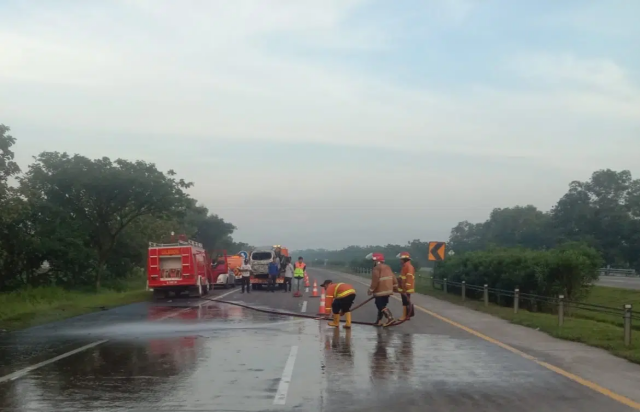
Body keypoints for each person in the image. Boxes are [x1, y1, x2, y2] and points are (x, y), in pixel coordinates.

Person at [366, 252, 397, 326]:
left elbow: (375, 280)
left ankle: (390, 318)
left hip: (380, 290)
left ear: (376, 261)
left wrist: (371, 290)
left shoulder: (376, 268)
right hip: (388, 290)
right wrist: (395, 287)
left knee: (379, 305)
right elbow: (394, 278)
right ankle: (379, 321)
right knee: (382, 305)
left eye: (373, 261)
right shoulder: (387, 267)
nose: (373, 263)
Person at [396, 252, 415, 321]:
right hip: (404, 288)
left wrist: (406, 287)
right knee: (405, 302)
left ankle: (404, 316)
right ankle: (407, 315)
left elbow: (409, 277)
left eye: (401, 259)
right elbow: (403, 277)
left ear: (404, 259)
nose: (400, 260)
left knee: (405, 302)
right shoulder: (405, 266)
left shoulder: (408, 267)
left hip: (406, 289)